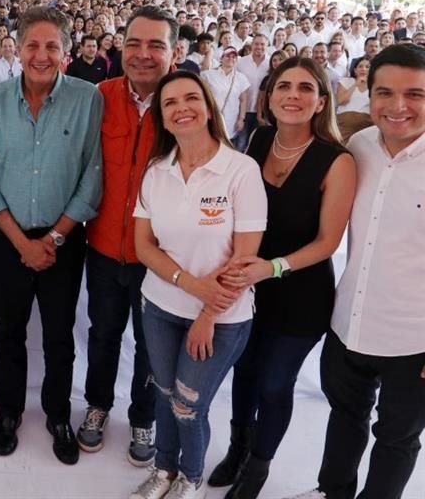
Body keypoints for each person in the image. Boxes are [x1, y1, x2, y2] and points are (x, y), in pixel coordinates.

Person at [208, 57, 355, 499]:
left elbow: (329, 241)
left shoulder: (337, 160)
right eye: (283, 86)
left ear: (320, 102)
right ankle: (237, 448)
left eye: (305, 88)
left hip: (300, 292)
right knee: (245, 374)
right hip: (249, 288)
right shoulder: (258, 138)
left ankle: (257, 468)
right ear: (269, 98)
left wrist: (272, 267)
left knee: (274, 383)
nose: (293, 95)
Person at [285, 44, 425, 499]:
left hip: (413, 341)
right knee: (344, 420)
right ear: (369, 93)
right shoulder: (358, 146)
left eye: (415, 94)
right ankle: (333, 492)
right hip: (348, 325)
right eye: (385, 92)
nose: (398, 106)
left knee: (397, 440)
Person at [0, 6, 103, 465]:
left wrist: (55, 238)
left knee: (59, 336)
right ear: (16, 49)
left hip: (62, 243)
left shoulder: (88, 99)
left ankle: (57, 414)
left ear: (66, 53)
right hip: (8, 241)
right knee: (8, 333)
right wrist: (22, 242)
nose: (41, 55)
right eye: (32, 45)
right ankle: (8, 412)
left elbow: (92, 176)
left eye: (52, 46)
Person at [129, 70, 267, 499]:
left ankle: (191, 478)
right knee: (166, 394)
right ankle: (164, 470)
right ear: (163, 118)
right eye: (170, 103)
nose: (181, 108)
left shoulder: (240, 170)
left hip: (221, 317)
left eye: (191, 98)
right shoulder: (157, 171)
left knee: (189, 406)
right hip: (160, 307)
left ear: (208, 107)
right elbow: (144, 247)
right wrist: (191, 285)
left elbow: (243, 261)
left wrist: (207, 313)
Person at [79, 6, 175, 464]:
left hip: (157, 257)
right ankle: (98, 405)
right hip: (101, 247)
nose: (143, 54)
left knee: (152, 345)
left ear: (173, 53)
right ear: (121, 45)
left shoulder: (184, 105)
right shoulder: (100, 95)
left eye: (156, 45)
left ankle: (144, 416)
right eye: (135, 43)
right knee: (102, 334)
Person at [202, 46, 251, 148]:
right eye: (228, 56)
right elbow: (202, 97)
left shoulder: (241, 78)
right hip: (212, 118)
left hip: (231, 120)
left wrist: (241, 119)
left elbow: (243, 100)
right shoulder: (208, 75)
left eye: (234, 57)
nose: (231, 59)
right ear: (221, 58)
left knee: (227, 147)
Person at [335, 58, 372, 142]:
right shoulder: (346, 81)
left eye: (367, 67)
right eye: (360, 66)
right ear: (355, 70)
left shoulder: (374, 85)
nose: (363, 69)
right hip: (345, 121)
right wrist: (355, 84)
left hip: (366, 122)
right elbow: (341, 100)